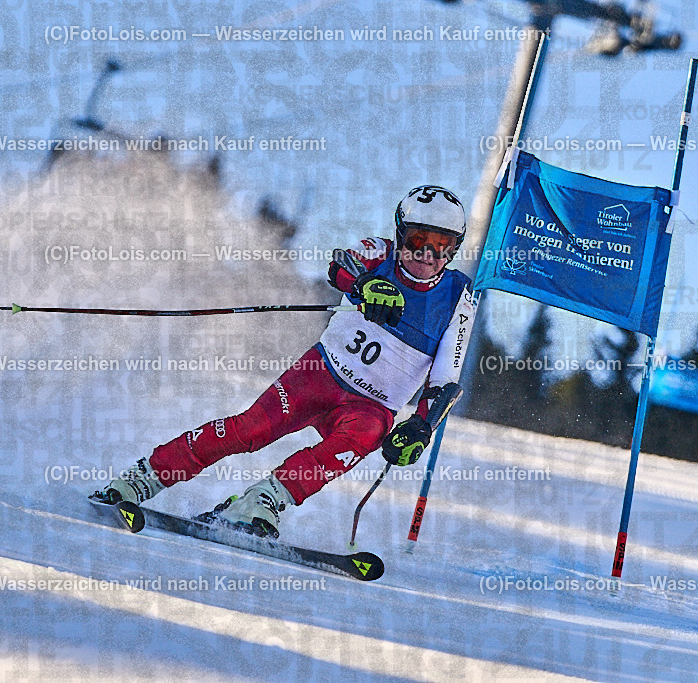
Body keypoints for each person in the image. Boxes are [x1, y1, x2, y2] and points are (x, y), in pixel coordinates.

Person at [98, 185, 476, 537]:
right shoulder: (380, 253)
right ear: (399, 235)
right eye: (417, 241)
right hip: (321, 374)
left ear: (454, 250)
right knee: (250, 430)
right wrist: (362, 286)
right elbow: (342, 265)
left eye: (441, 246)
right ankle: (143, 478)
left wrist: (421, 428)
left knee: (369, 433)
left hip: (372, 405)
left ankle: (259, 502)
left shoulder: (459, 297)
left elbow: (445, 378)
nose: (426, 255)